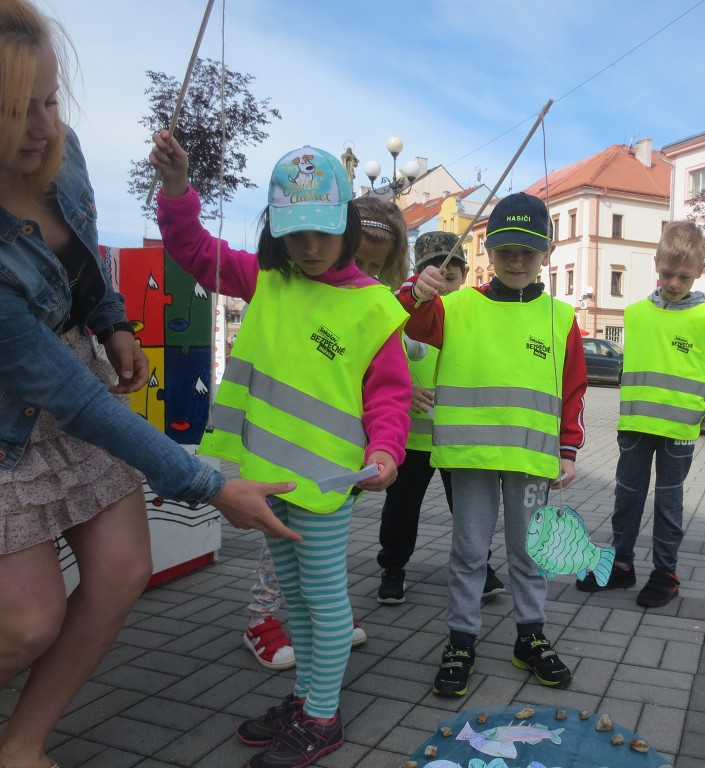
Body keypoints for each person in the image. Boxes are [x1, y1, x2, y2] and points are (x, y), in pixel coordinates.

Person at [0, 5, 295, 768]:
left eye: (50, 100)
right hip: (12, 416)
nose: (41, 128)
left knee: (125, 570)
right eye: (13, 110)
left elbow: (85, 267)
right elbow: (76, 399)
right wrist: (208, 484)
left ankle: (23, 744)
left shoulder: (60, 157)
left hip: (72, 383)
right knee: (25, 623)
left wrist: (115, 324)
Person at [150, 132, 411, 767]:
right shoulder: (268, 279)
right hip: (268, 480)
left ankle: (322, 717)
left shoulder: (375, 307)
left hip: (326, 486)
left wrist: (387, 453)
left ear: (346, 226)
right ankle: (305, 700)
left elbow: (389, 397)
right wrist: (179, 191)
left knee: (324, 602)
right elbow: (192, 249)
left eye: (322, 231)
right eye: (296, 233)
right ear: (276, 233)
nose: (310, 247)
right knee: (294, 600)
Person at [401, 192, 587, 697]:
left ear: (545, 252)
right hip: (472, 457)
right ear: (490, 252)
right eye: (506, 250)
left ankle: (530, 636)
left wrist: (568, 449)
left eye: (528, 251)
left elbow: (573, 390)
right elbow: (406, 320)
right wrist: (418, 290)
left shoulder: (562, 318)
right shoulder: (456, 306)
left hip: (530, 460)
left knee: (529, 555)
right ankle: (461, 638)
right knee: (468, 551)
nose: (518, 261)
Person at [241, 198, 410, 666]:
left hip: (333, 462)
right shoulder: (286, 284)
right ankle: (263, 619)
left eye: (378, 268)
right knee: (285, 561)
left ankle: (319, 661)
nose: (365, 274)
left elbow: (383, 377)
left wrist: (384, 445)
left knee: (316, 573)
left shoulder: (369, 301)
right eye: (361, 262)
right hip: (280, 459)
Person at [577, 221, 705, 607]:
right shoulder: (636, 313)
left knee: (668, 501)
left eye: (684, 276)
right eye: (667, 273)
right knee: (626, 497)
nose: (674, 282)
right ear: (655, 263)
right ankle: (622, 564)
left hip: (678, 427)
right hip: (636, 424)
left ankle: (665, 572)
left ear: (699, 271)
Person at [376, 231, 505, 605]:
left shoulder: (474, 311)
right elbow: (382, 358)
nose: (443, 285)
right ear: (417, 276)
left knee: (468, 510)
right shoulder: (401, 308)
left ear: (464, 276)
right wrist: (405, 390)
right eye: (433, 276)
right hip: (412, 437)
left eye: (451, 277)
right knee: (401, 509)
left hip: (458, 436)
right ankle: (393, 567)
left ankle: (480, 566)